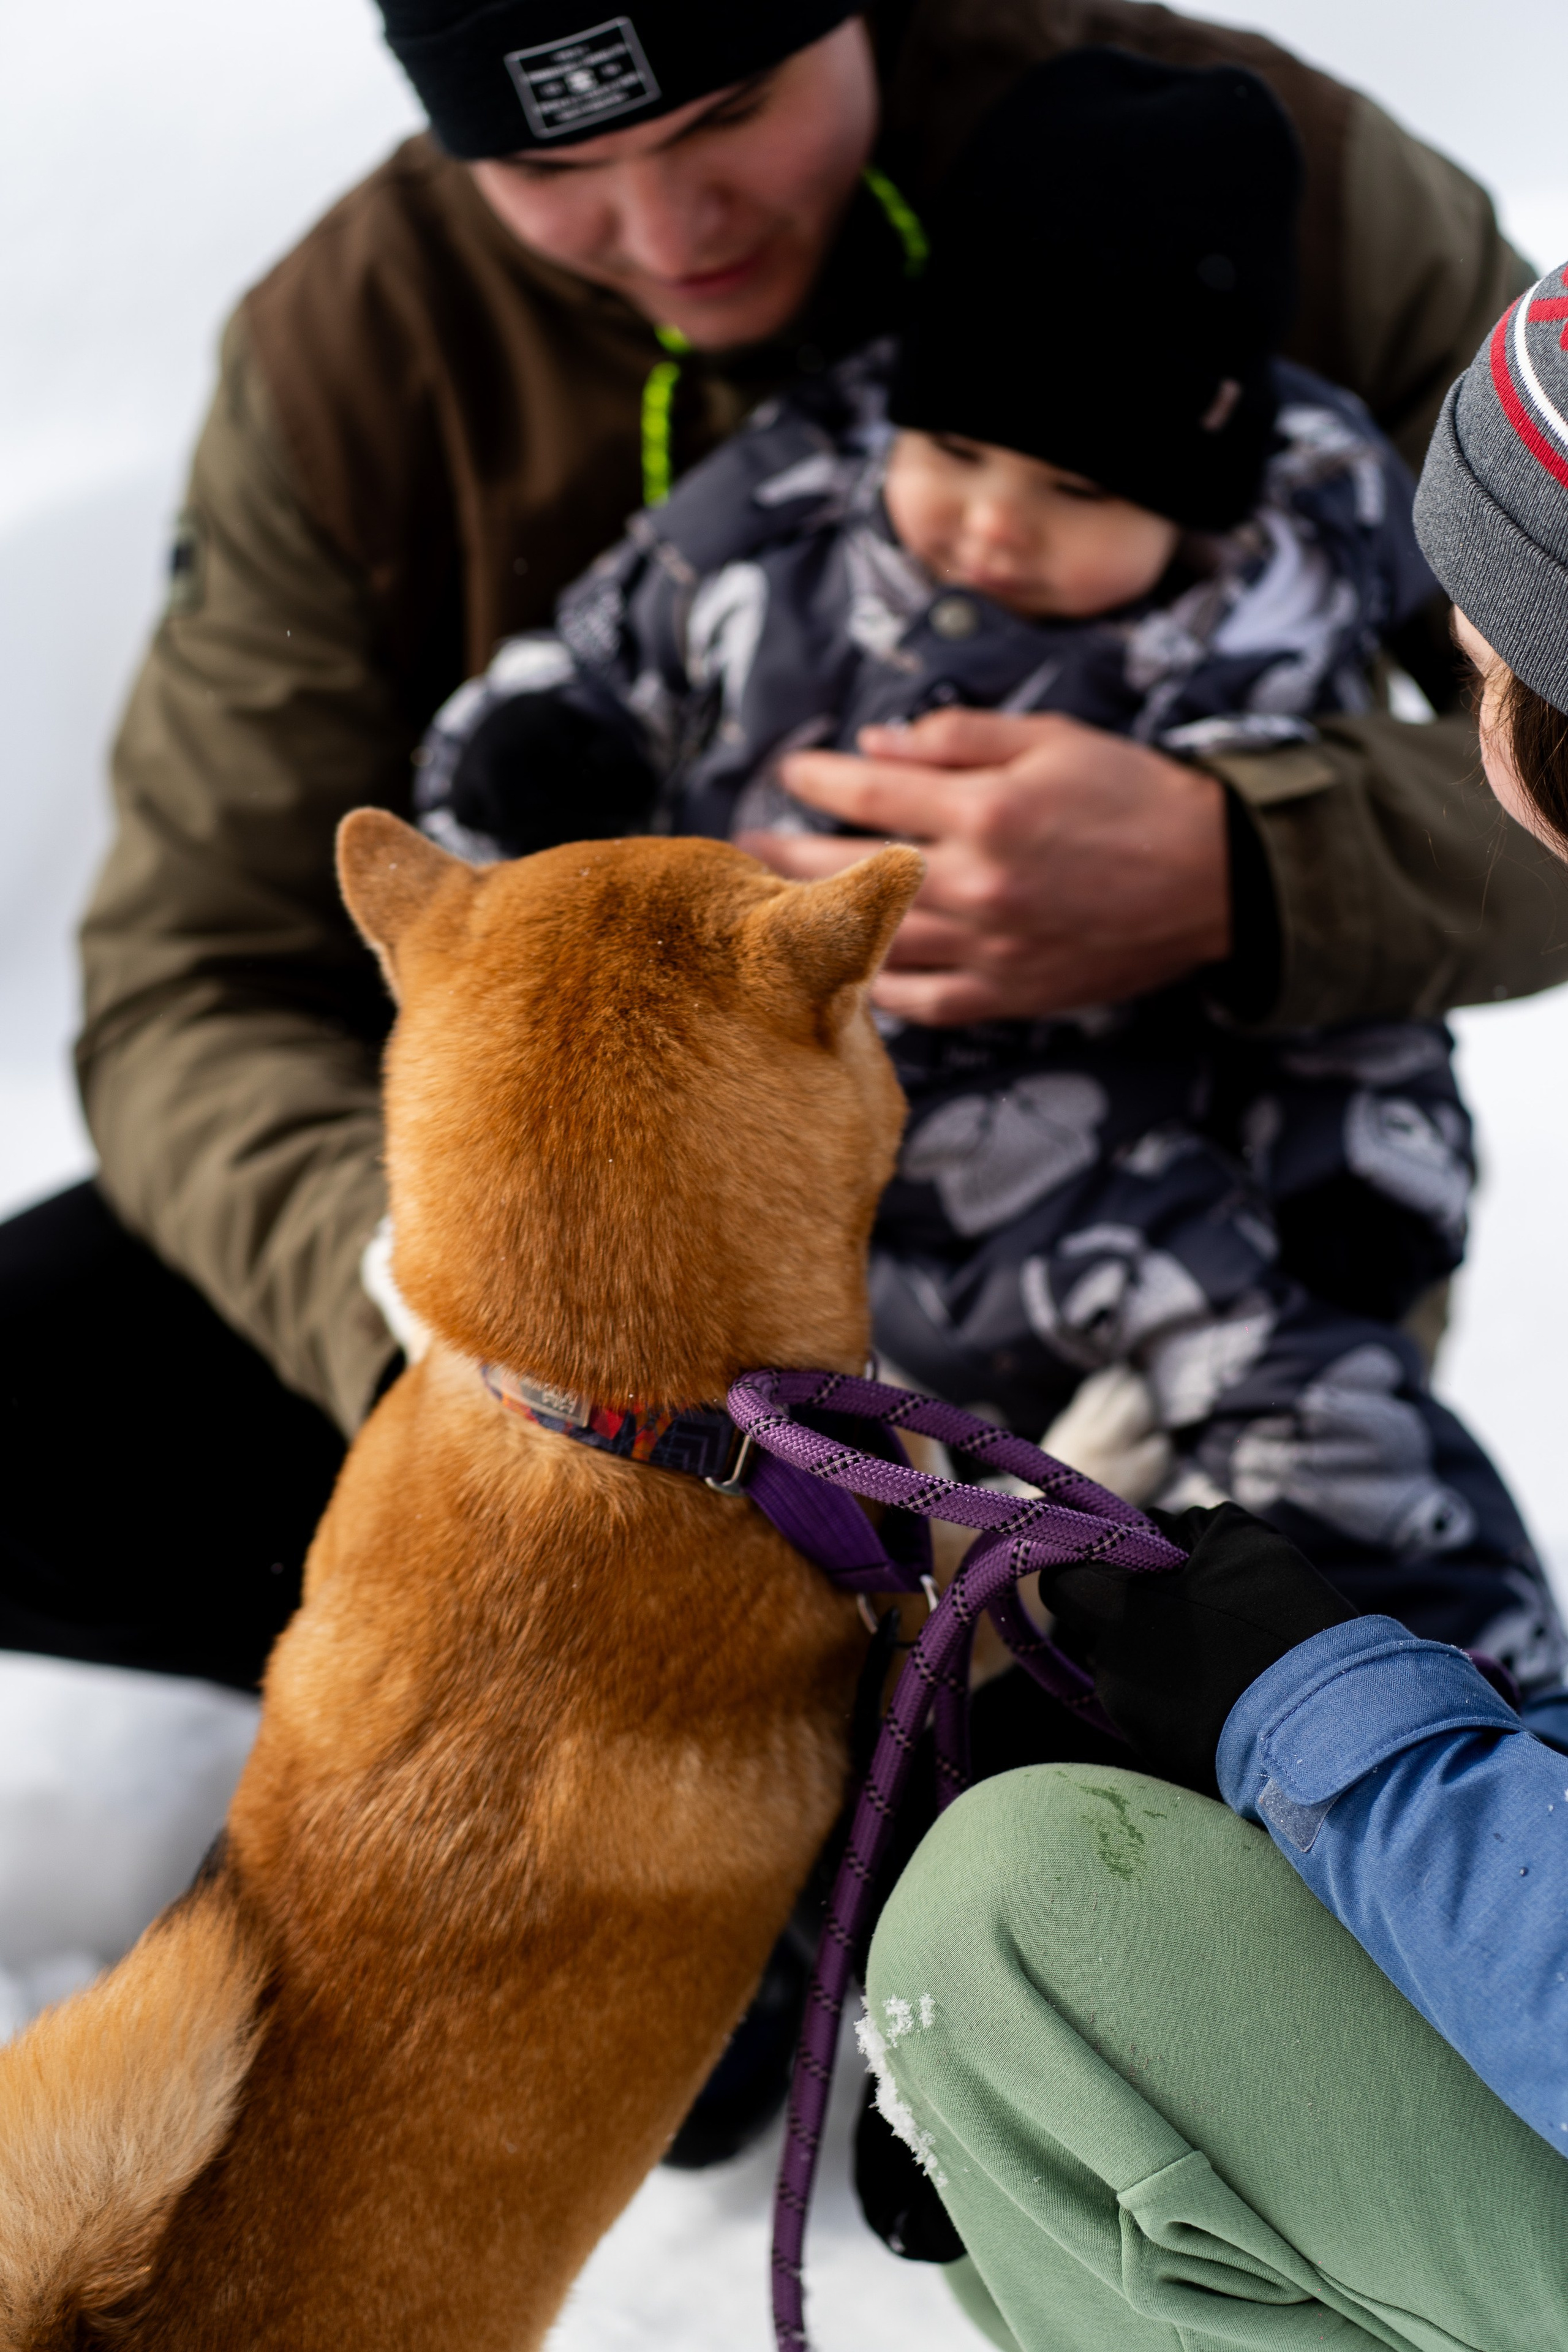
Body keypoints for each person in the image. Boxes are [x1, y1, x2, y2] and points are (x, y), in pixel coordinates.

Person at [2, 0, 1564, 1708]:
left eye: (727, 113)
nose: (669, 232)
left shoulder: (1255, 167)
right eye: (551, 165)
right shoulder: (354, 350)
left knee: (1233, 1682)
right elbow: (193, 980)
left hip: (1166, 1234)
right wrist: (442, 1305)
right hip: (594, 1272)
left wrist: (1257, 862)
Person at [855, 260, 1568, 2350]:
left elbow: (1365, 1107)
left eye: (1471, 669)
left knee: (1018, 1943)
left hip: (1224, 1327)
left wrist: (1330, 1721)